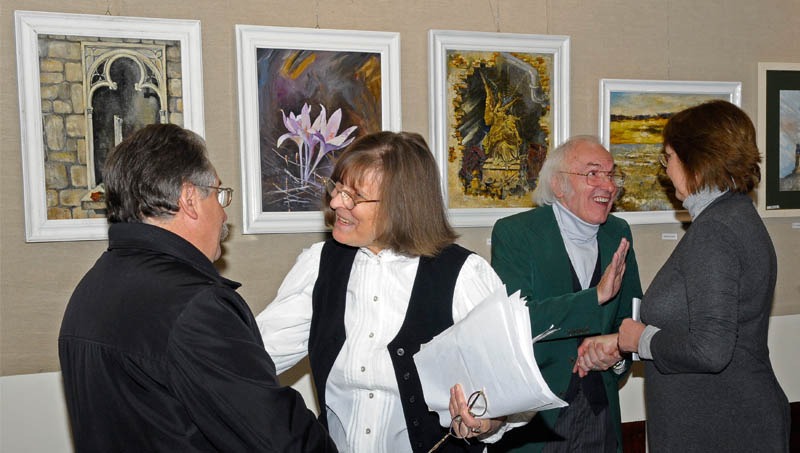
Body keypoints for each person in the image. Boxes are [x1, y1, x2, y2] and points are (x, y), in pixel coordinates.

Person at [58, 123, 336, 452]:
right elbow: (280, 439)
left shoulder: (91, 288)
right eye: (219, 194)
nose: (223, 214)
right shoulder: (194, 307)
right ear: (189, 199)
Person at [256, 131, 528, 452]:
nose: (335, 202)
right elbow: (253, 356)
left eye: (354, 196)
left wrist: (487, 422)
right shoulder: (319, 266)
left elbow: (512, 389)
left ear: (401, 206)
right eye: (337, 188)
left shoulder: (464, 275)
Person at [616, 100, 790, 452]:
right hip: (727, 419)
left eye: (669, 157)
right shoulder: (736, 215)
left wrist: (641, 340)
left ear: (695, 158)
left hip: (723, 427)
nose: (666, 170)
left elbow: (710, 350)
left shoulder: (715, 230)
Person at [488, 135, 643, 453]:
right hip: (537, 418)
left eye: (611, 174)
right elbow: (518, 323)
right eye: (593, 173)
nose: (608, 185)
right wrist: (593, 298)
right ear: (559, 185)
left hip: (600, 411)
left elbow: (630, 317)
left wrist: (616, 355)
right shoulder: (516, 233)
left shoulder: (618, 232)